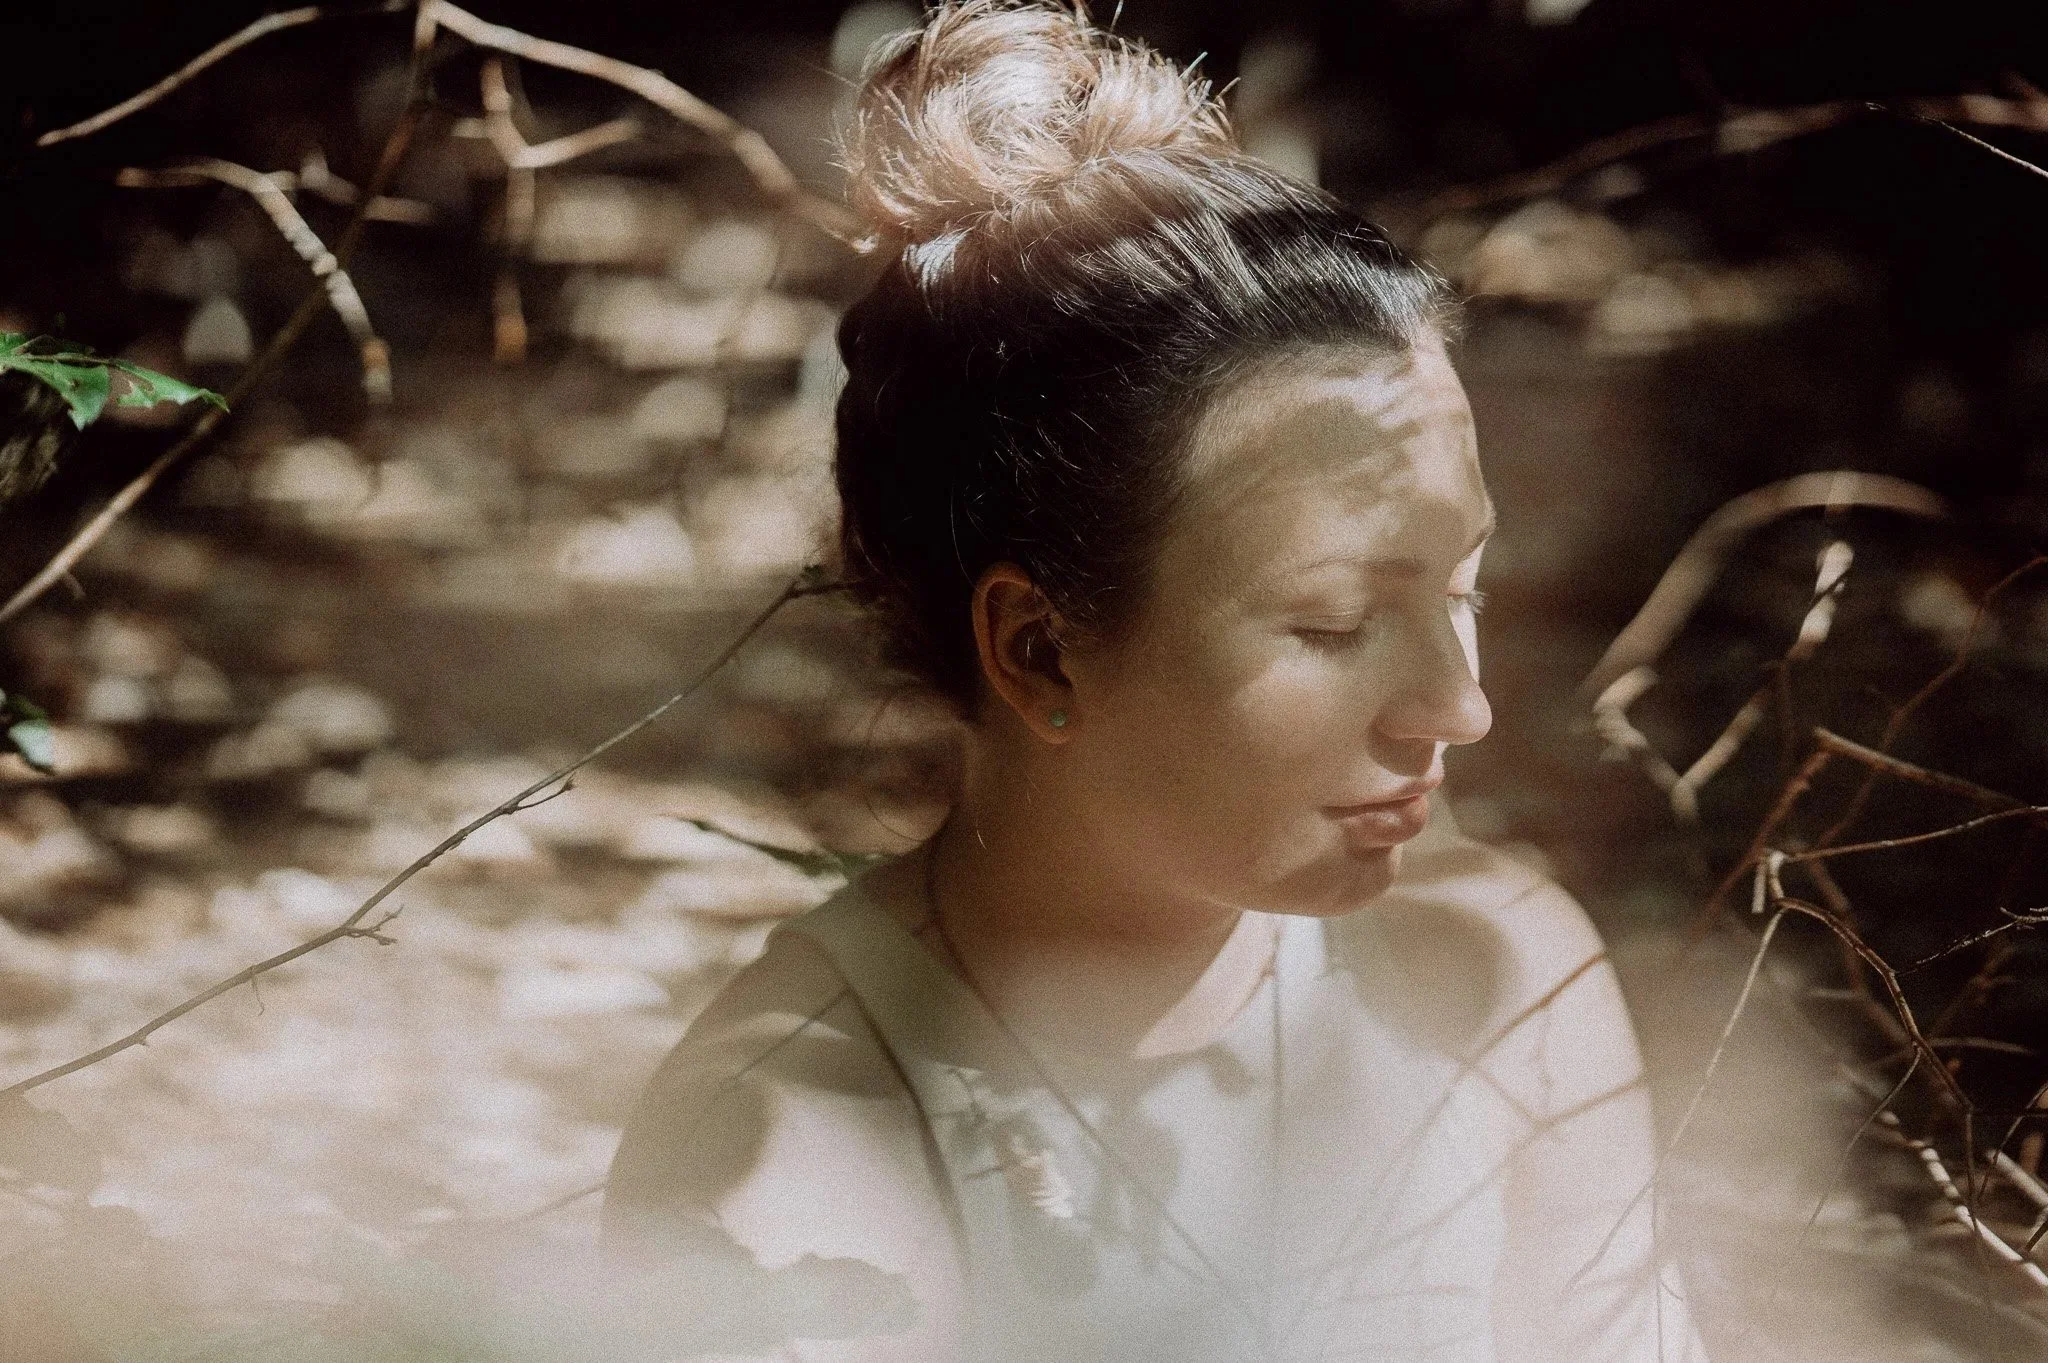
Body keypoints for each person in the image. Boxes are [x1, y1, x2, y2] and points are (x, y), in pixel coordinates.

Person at [606, 4, 1707, 1359]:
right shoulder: (792, 1154)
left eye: (1460, 583)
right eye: (1335, 618)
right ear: (1039, 649)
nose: (1458, 707)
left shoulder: (1499, 973)